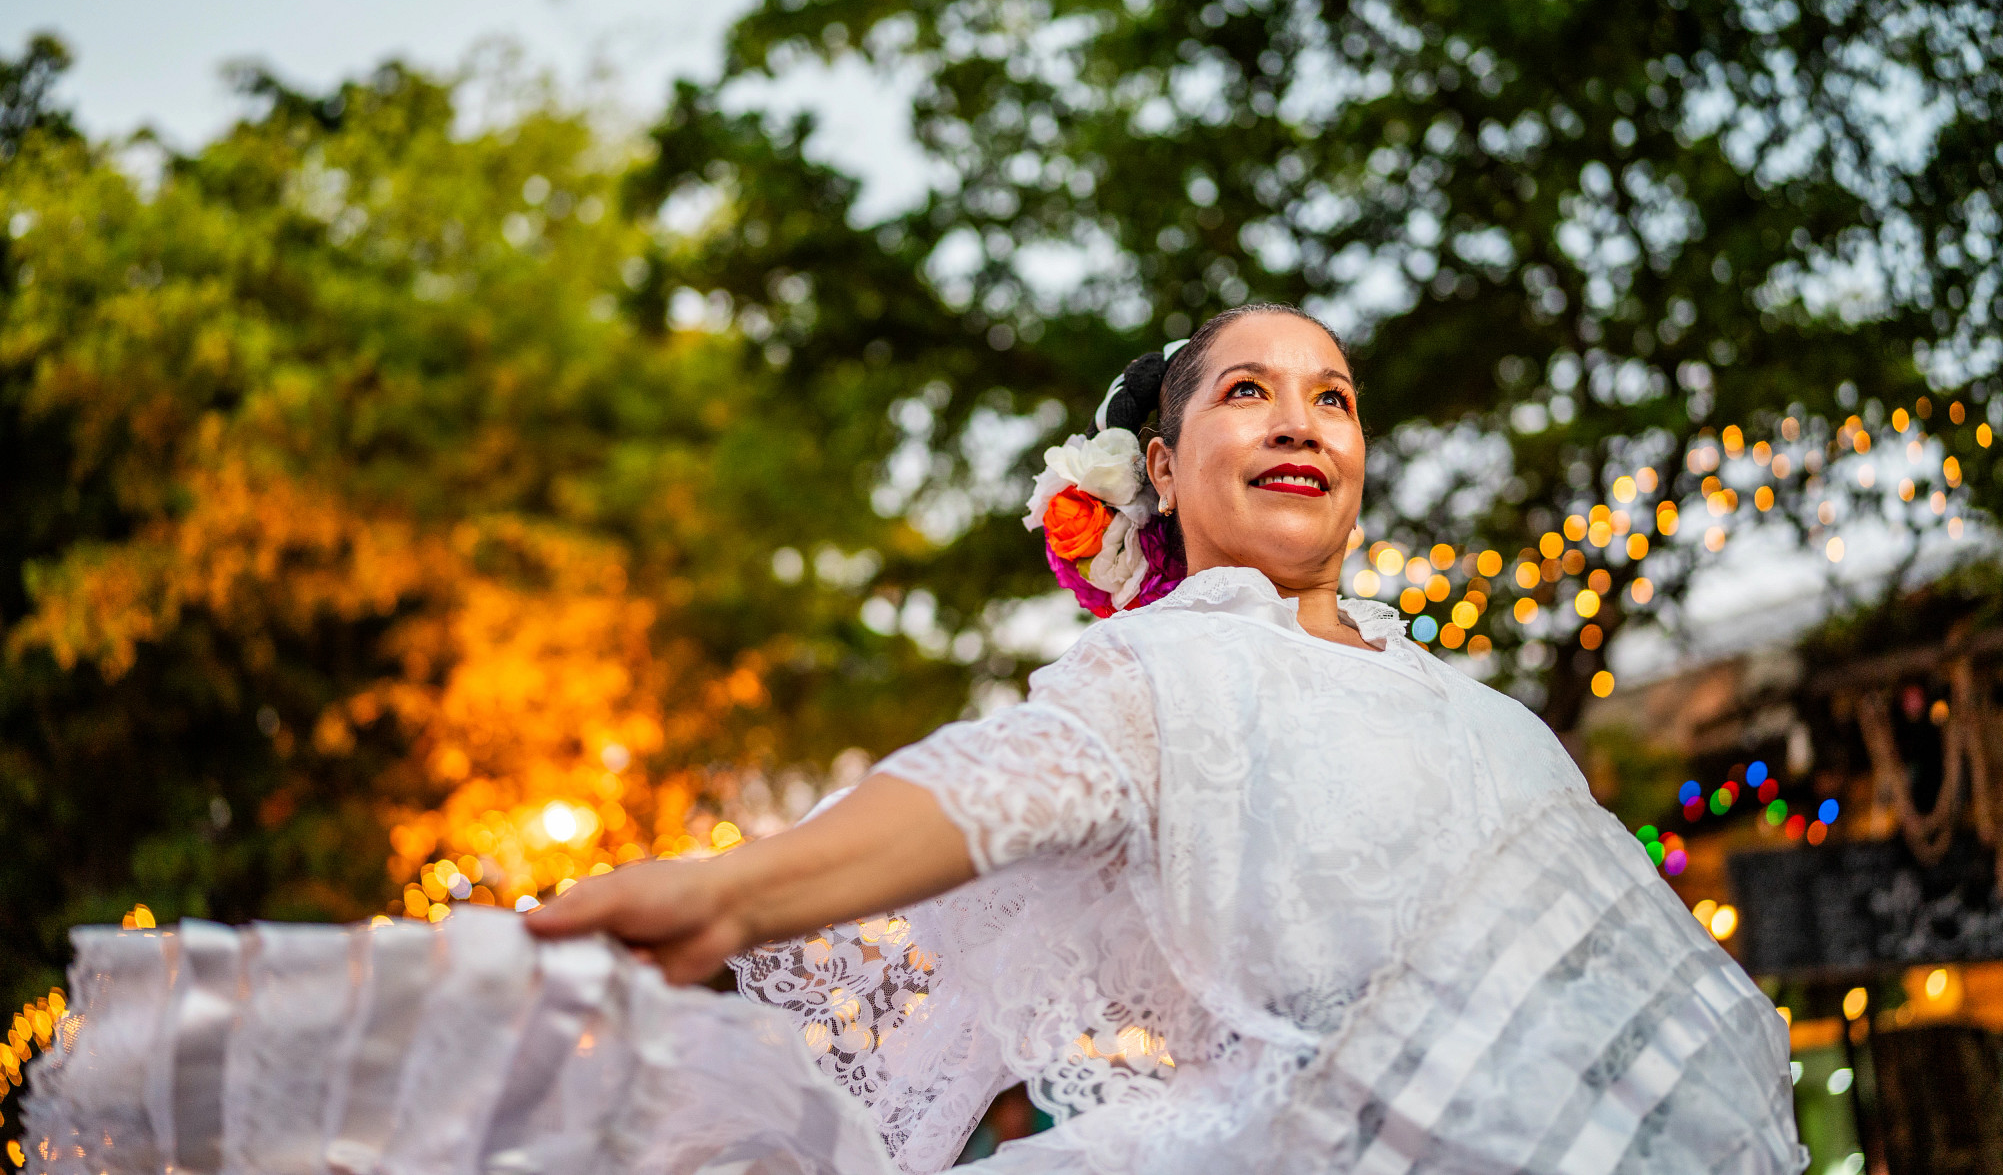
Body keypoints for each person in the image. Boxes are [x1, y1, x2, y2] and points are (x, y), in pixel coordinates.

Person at [529, 304, 1804, 1174]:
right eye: (1248, 393)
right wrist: (731, 894)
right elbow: (989, 790)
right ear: (1160, 464)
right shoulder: (1173, 668)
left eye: (1332, 399)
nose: (1299, 422)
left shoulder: (1501, 725)